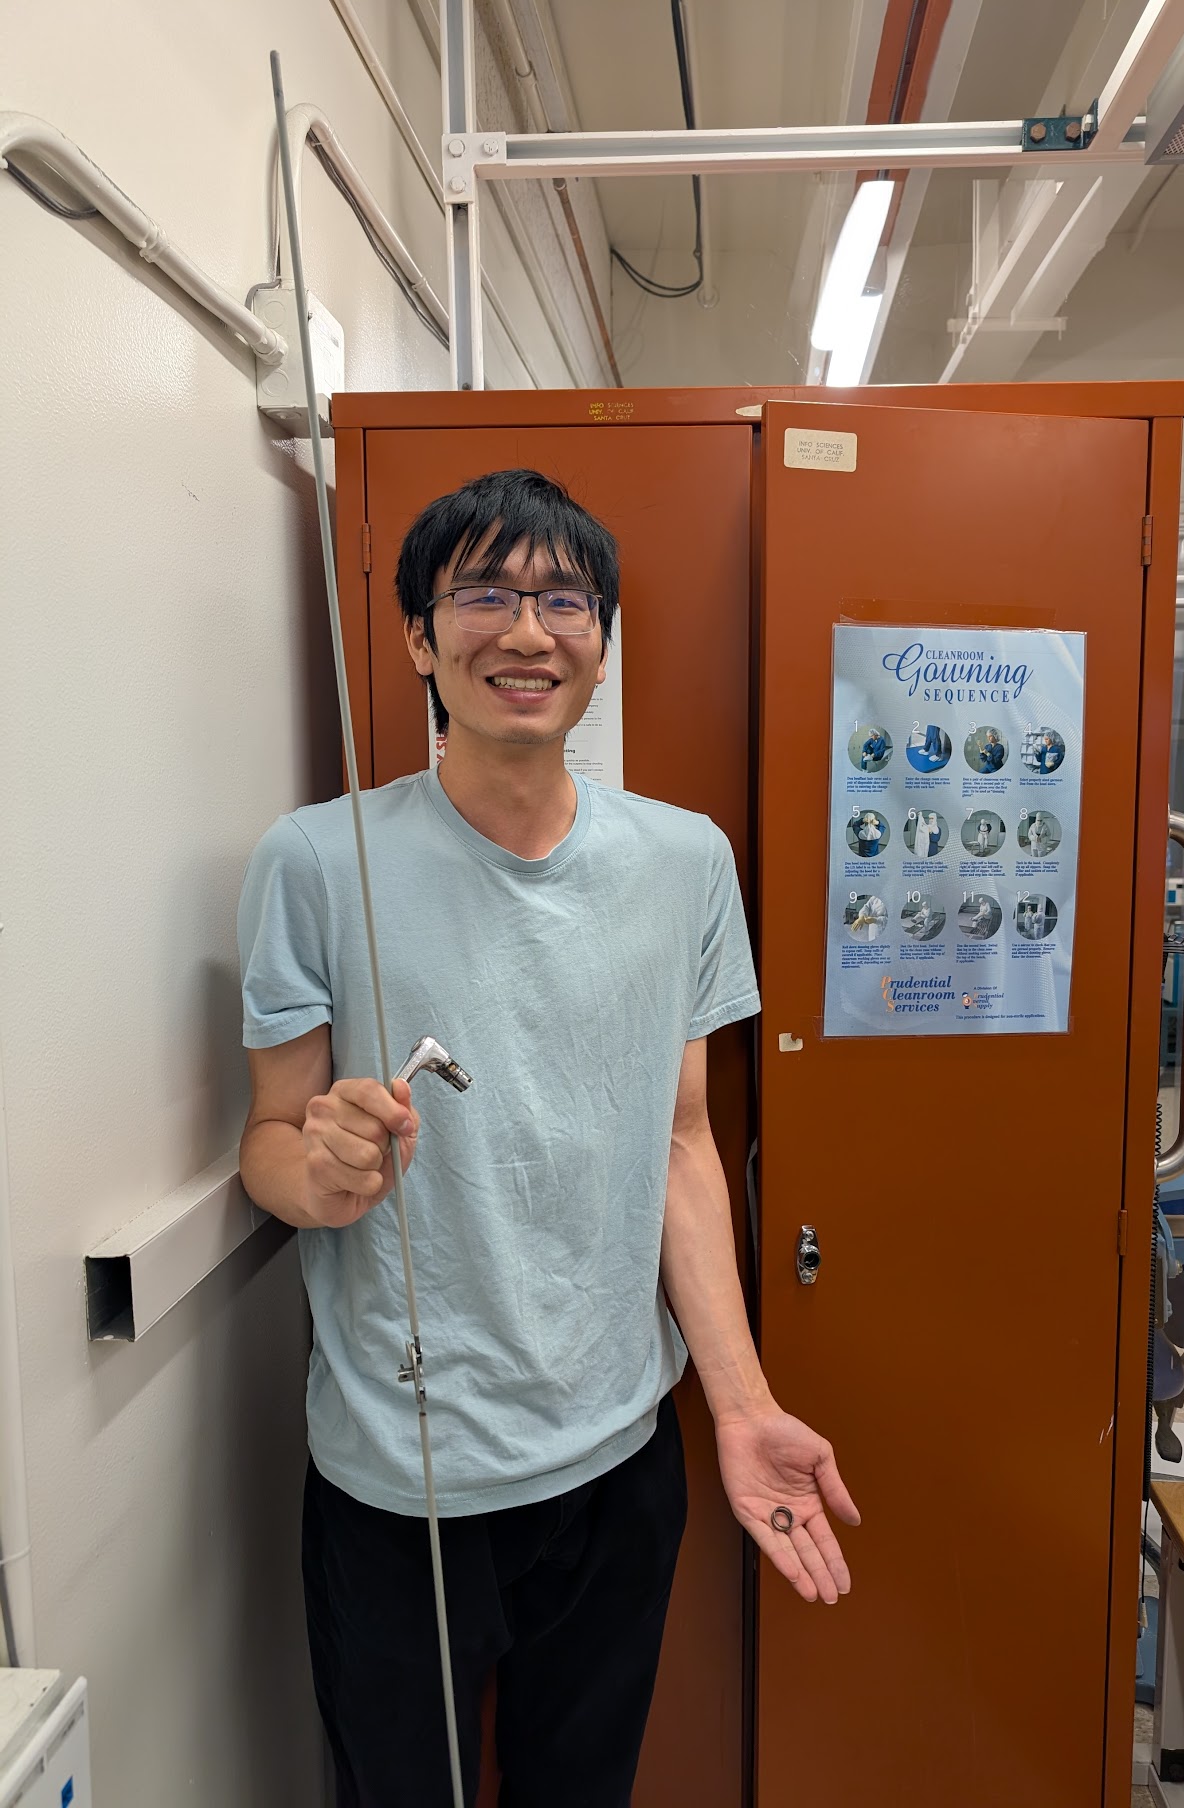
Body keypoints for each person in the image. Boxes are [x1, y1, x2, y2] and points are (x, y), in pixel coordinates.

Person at [236, 469, 858, 1808]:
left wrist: (741, 1407)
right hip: (401, 1479)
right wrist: (325, 1175)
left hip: (618, 1464)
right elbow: (270, 1145)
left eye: (564, 601)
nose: (527, 632)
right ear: (419, 638)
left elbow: (682, 1144)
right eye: (483, 595)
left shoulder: (685, 862)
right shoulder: (317, 862)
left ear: (602, 646)